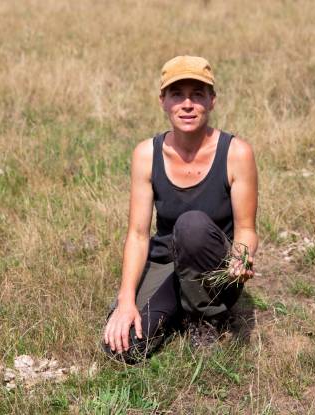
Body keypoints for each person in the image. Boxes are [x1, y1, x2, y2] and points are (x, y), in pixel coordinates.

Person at [102, 56, 258, 363]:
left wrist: (240, 259)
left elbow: (247, 230)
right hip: (167, 261)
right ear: (163, 101)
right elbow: (137, 235)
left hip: (215, 268)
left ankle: (205, 319)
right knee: (122, 348)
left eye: (197, 94)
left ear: (211, 101)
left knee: (191, 226)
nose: (187, 104)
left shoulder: (236, 153)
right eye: (177, 94)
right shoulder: (146, 154)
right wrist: (125, 301)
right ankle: (175, 310)